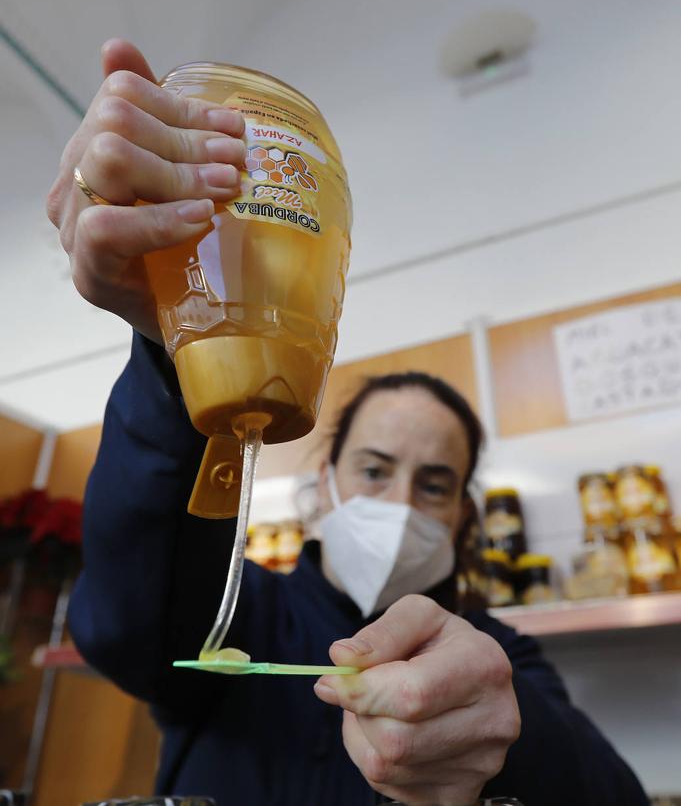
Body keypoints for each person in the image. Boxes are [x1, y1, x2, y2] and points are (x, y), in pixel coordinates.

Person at [49, 40, 648, 806]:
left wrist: (507, 733)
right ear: (323, 487)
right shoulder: (238, 614)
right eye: (373, 469)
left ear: (463, 512)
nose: (398, 504)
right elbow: (127, 624)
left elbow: (612, 794)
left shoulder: (500, 655)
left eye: (433, 483)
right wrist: (181, 349)